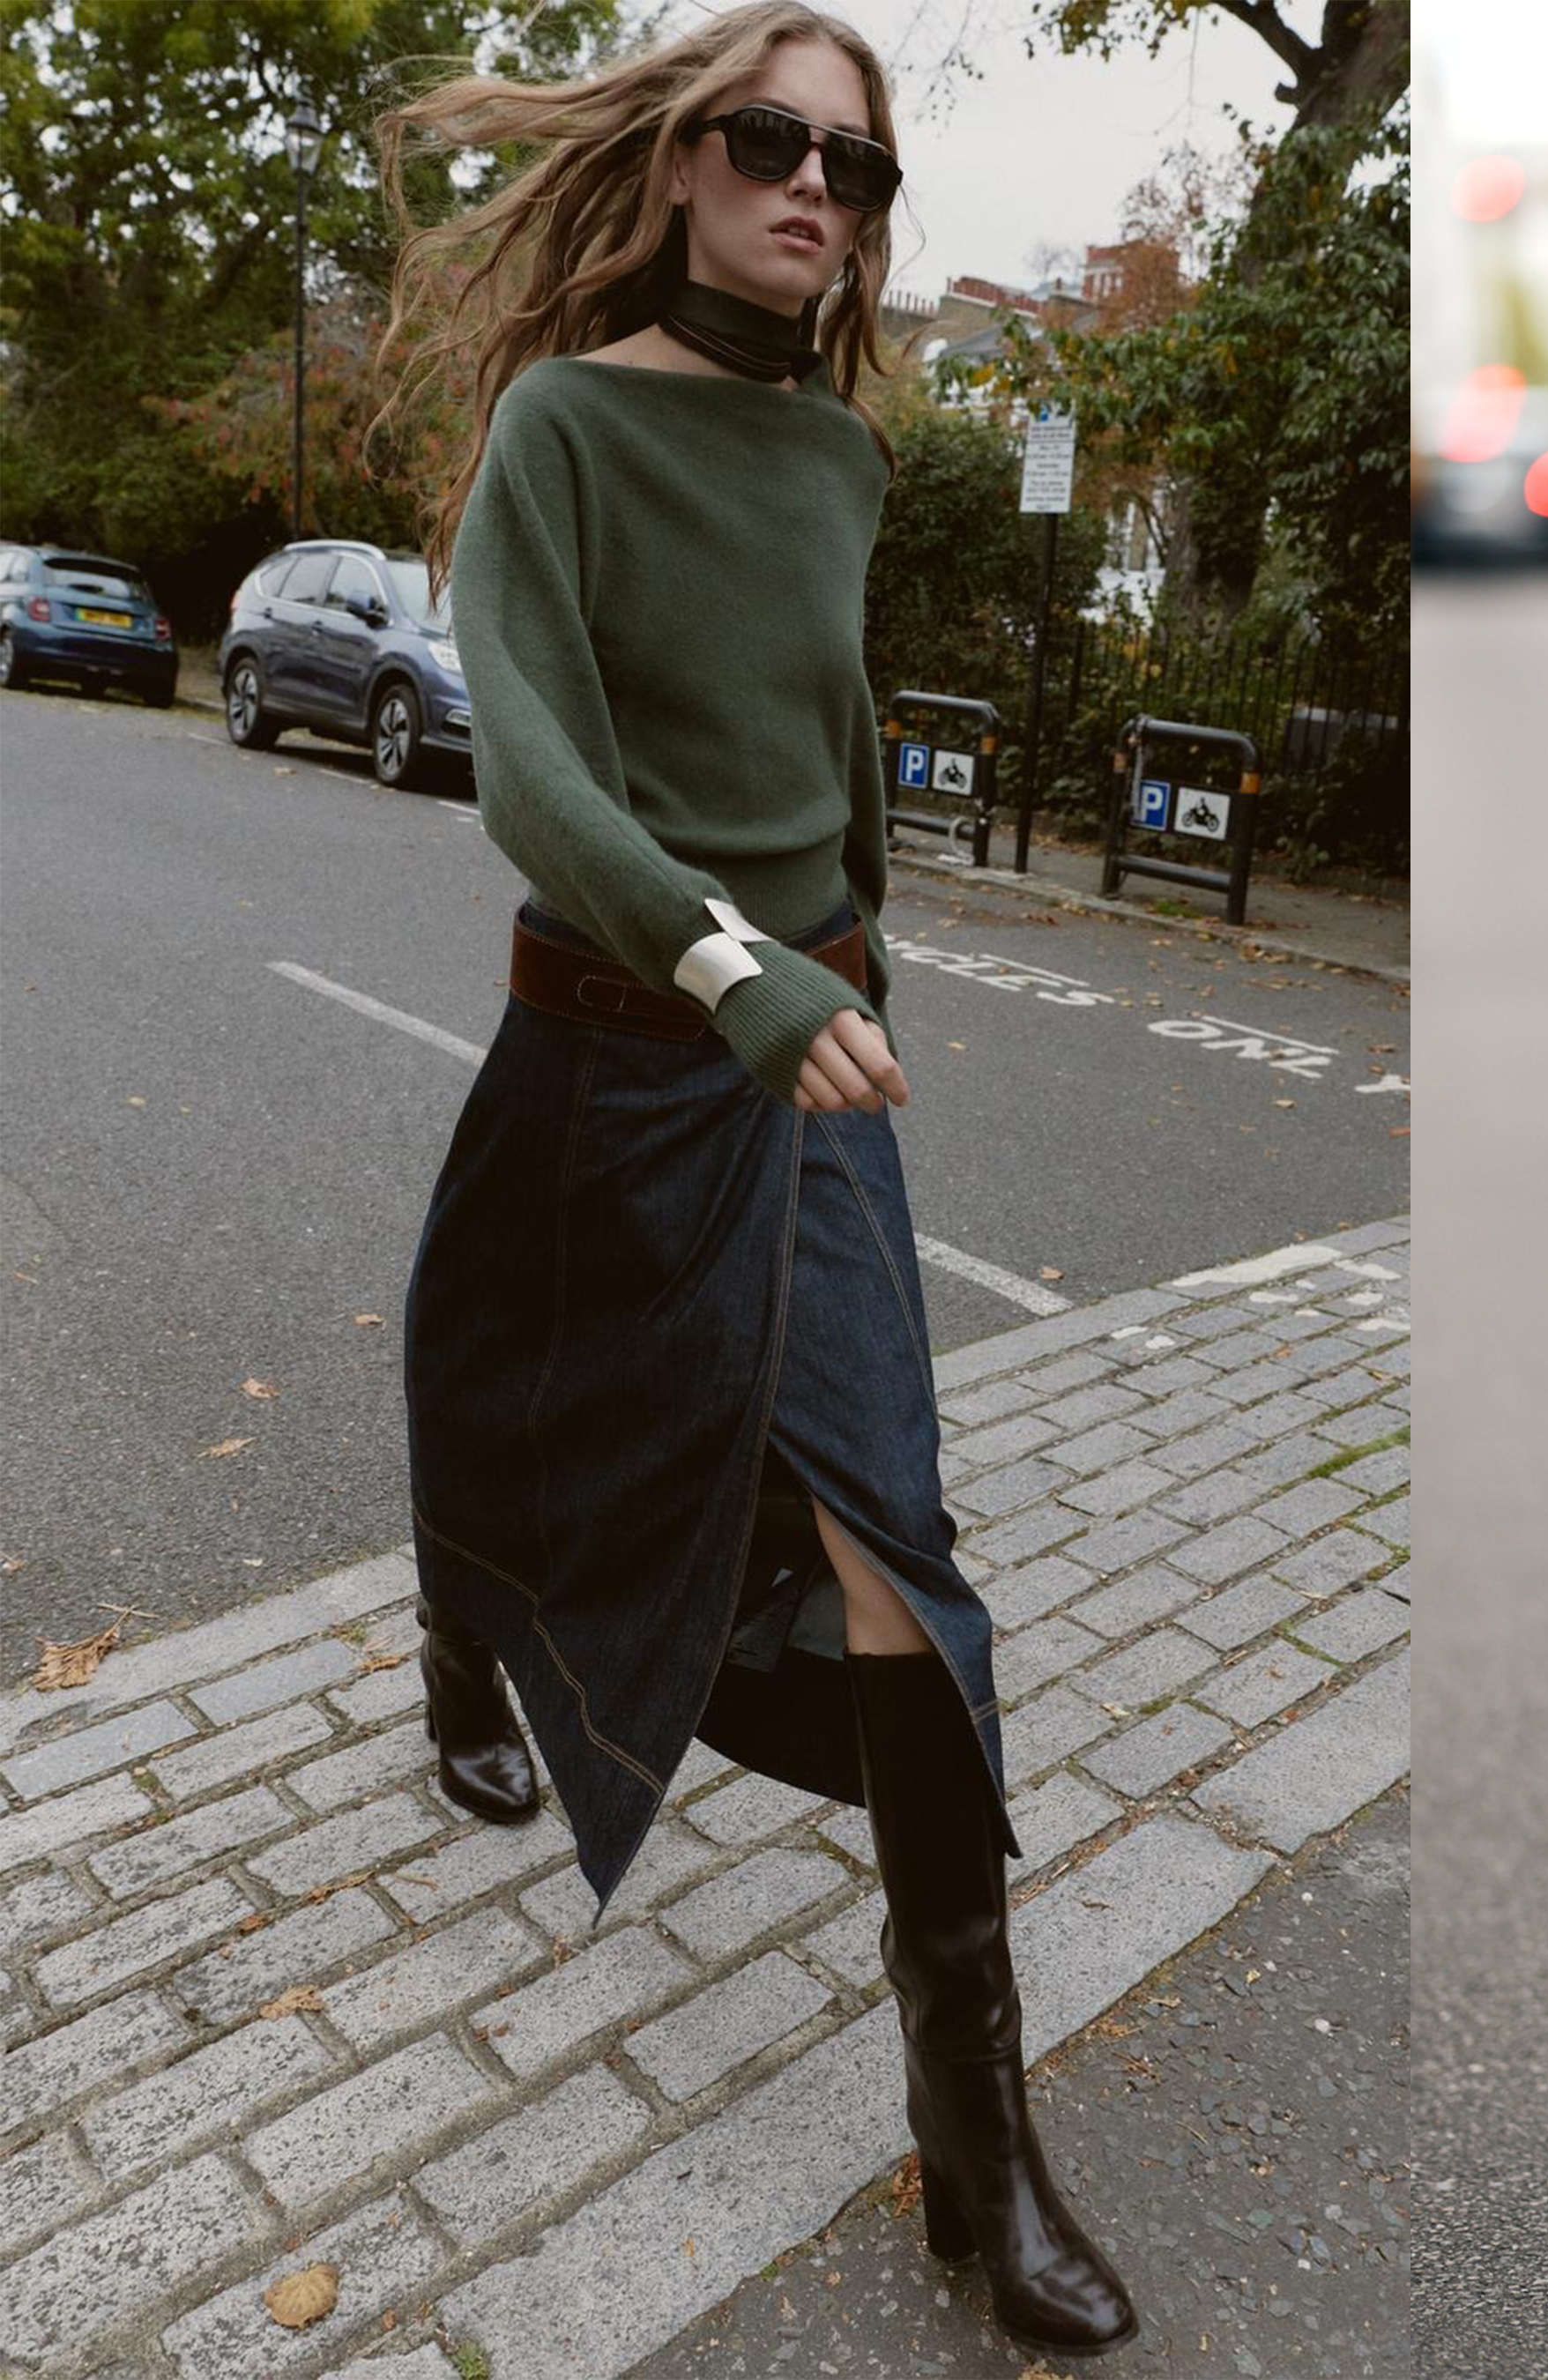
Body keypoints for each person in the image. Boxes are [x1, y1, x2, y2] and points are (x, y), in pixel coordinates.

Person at [370, 7, 1134, 2355]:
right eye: (777, 143)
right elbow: (537, 777)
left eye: (862, 169)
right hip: (625, 1033)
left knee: (900, 1550)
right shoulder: (569, 430)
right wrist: (728, 965)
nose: (820, 189)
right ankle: (464, 1631)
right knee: (499, 1378)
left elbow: (828, 737)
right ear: (680, 162)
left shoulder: (840, 456)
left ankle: (979, 2159)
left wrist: (851, 954)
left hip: (806, 1060)